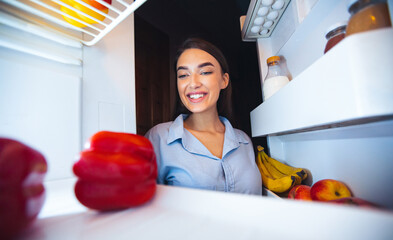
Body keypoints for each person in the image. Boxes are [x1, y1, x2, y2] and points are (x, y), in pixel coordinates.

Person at [145, 38, 262, 195]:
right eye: (183, 75)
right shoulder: (158, 138)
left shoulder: (244, 141)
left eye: (205, 72)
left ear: (224, 80)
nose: (193, 83)